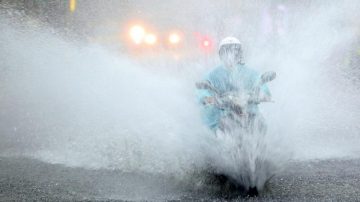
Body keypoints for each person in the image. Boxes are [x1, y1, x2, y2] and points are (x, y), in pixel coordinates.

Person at [197, 37, 271, 132]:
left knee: (261, 123)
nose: (231, 54)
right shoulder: (213, 74)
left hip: (249, 110)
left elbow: (261, 84)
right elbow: (203, 90)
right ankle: (219, 143)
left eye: (235, 51)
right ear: (221, 54)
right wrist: (207, 98)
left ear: (240, 54)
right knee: (215, 127)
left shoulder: (251, 73)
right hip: (223, 112)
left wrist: (263, 94)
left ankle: (262, 144)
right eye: (226, 51)